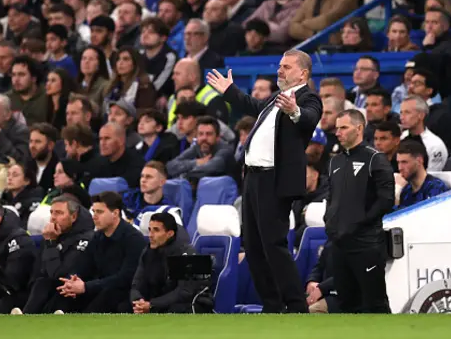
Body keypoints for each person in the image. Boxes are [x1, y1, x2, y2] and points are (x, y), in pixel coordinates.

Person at [206, 49, 322, 313]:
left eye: (287, 67)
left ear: (302, 73)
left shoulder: (308, 97)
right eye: (280, 65)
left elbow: (310, 118)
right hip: (253, 179)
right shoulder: (275, 98)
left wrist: (294, 111)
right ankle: (271, 305)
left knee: (274, 246)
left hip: (274, 180)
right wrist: (230, 91)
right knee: (255, 248)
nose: (280, 70)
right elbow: (253, 106)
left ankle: (295, 306)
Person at [325, 109, 394, 313]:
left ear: (359, 128)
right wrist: (329, 221)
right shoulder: (334, 162)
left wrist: (360, 222)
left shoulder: (375, 159)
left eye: (344, 127)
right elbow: (332, 197)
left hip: (366, 244)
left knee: (375, 304)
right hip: (339, 244)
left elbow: (386, 200)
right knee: (345, 304)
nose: (338, 132)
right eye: (337, 128)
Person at [55, 192, 145, 313]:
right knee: (57, 288)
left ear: (115, 214)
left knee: (108, 294)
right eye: (94, 211)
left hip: (122, 292)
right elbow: (82, 265)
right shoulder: (97, 237)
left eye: (100, 212)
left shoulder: (134, 239)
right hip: (100, 287)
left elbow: (125, 278)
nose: (94, 216)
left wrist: (86, 287)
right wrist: (72, 282)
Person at [16, 195, 94, 314]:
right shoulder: (52, 235)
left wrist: (51, 243)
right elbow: (40, 271)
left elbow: (60, 275)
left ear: (73, 217)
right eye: (51, 212)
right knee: (39, 284)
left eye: (59, 213)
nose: (52, 218)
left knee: (51, 286)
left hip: (76, 292)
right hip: (49, 290)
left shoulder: (86, 239)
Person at [128, 212, 211, 314]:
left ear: (170, 233)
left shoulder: (186, 253)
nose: (150, 235)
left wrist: (152, 305)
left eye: (156, 230)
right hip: (159, 303)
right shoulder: (147, 252)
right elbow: (137, 284)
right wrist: (138, 301)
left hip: (189, 305)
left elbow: (184, 292)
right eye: (149, 230)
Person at [166, 116, 234, 181]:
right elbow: (170, 166)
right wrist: (196, 162)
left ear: (218, 137)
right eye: (200, 134)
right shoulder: (197, 147)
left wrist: (185, 174)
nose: (204, 138)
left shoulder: (225, 150)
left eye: (209, 134)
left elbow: (209, 168)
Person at [395, 140, 449, 210]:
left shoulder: (435, 187)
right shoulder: (406, 191)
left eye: (404, 162)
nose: (400, 168)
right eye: (398, 163)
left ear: (419, 161)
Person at [400, 96, 448, 171]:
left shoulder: (435, 145)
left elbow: (433, 176)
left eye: (407, 112)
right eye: (401, 112)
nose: (402, 117)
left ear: (421, 115)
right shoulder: (401, 137)